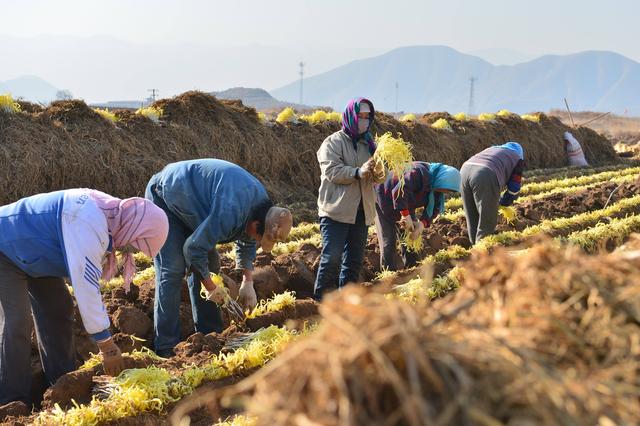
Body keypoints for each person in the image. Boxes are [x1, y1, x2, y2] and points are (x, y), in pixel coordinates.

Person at [0, 189, 169, 407]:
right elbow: (85, 285)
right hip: (5, 249)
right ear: (135, 227)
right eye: (135, 244)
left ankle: (61, 383)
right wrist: (107, 345)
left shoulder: (108, 218)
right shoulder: (88, 219)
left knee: (58, 310)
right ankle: (12, 401)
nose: (129, 249)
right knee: (17, 321)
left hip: (34, 255)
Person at [146, 159, 293, 357]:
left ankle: (210, 333)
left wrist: (247, 281)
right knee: (172, 269)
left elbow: (248, 239)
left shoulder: (262, 207)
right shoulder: (231, 210)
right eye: (261, 237)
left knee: (211, 265)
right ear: (258, 223)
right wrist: (210, 287)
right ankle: (165, 346)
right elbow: (193, 249)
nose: (259, 241)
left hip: (195, 206)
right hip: (166, 198)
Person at [313, 97, 385, 300]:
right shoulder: (333, 142)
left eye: (367, 117)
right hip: (336, 210)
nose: (363, 120)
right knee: (332, 258)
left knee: (354, 260)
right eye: (359, 116)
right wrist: (357, 172)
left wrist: (379, 168)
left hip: (362, 211)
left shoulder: (369, 144)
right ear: (350, 116)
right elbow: (332, 171)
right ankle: (321, 301)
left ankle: (347, 302)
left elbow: (379, 177)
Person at [375, 161, 460, 270]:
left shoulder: (436, 186)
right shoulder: (418, 173)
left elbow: (434, 209)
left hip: (405, 203)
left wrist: (421, 225)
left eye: (449, 191)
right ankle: (388, 275)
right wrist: (406, 216)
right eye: (447, 188)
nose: (445, 192)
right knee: (388, 239)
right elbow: (399, 190)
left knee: (411, 237)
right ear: (443, 179)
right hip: (384, 196)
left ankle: (412, 269)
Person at [460, 142, 525, 244]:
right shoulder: (517, 158)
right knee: (487, 219)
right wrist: (504, 203)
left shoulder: (493, 149)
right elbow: (514, 188)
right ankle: (482, 252)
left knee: (472, 216)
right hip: (485, 173)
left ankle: (474, 248)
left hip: (464, 170)